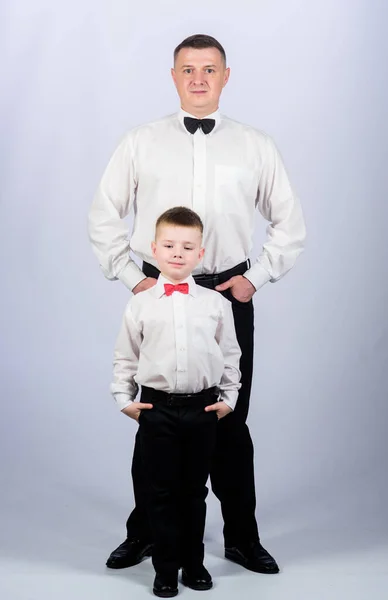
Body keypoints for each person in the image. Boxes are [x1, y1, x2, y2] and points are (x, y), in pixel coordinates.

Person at [89, 33, 306, 575]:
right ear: (173, 75)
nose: (199, 79)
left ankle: (242, 538)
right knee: (157, 423)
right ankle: (146, 534)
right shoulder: (141, 141)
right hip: (158, 292)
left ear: (226, 76)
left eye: (210, 69)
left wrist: (255, 278)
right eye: (188, 69)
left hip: (226, 294)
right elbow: (103, 214)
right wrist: (129, 276)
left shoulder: (255, 144)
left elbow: (289, 223)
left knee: (228, 422)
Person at [111, 206, 241, 597]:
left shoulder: (216, 304)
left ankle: (194, 564)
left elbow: (230, 353)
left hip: (203, 408)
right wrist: (124, 399)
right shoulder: (140, 303)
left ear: (200, 254)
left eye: (187, 247)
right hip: (157, 409)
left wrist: (229, 397)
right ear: (154, 250)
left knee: (194, 491)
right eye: (169, 245)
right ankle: (165, 568)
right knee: (162, 491)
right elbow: (126, 355)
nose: (177, 253)